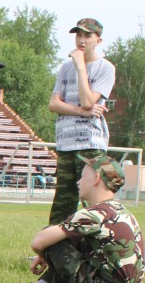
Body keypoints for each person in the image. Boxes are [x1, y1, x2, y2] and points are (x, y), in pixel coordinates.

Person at [2, 155, 144, 283]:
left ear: (96, 178)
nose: (78, 181)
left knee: (52, 236)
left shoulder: (94, 213)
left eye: (82, 177)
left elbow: (37, 242)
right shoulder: (122, 212)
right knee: (72, 237)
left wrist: (45, 253)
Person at [48, 18, 116, 225]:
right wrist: (82, 112)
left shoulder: (105, 68)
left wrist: (80, 67)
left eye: (88, 35)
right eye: (78, 35)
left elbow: (88, 100)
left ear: (98, 40)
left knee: (94, 199)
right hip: (66, 142)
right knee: (64, 199)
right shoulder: (64, 68)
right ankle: (55, 250)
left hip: (90, 143)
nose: (81, 40)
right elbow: (54, 104)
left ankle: (102, 247)